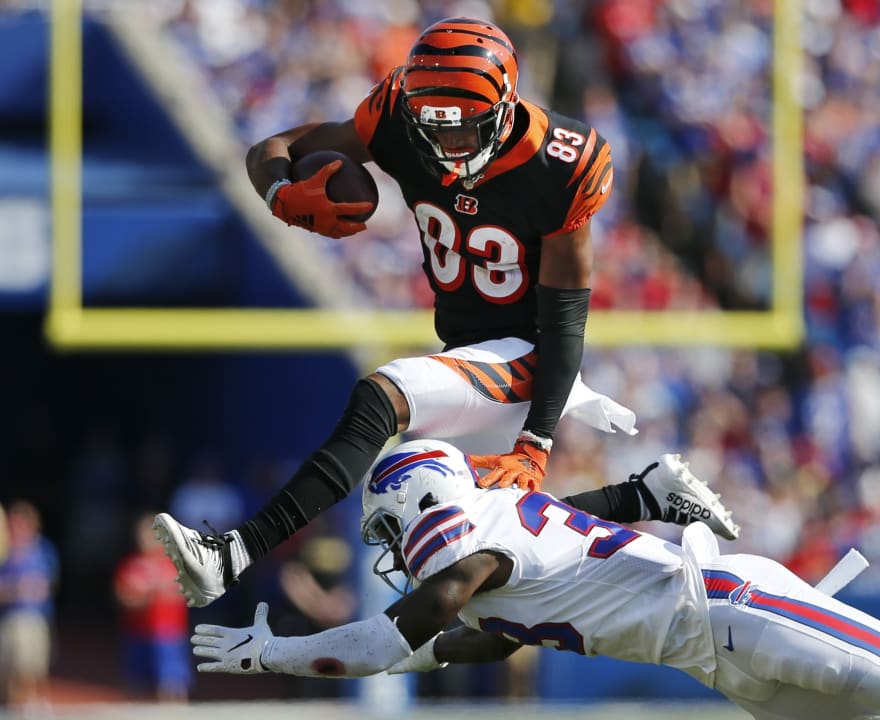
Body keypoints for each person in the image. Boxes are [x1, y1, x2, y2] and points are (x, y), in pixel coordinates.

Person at [153, 16, 738, 608]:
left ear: (506, 108)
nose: (449, 142)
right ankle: (641, 498)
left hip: (530, 353)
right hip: (464, 350)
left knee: (382, 397)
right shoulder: (399, 119)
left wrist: (536, 440)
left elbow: (565, 318)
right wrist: (279, 189)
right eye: (436, 125)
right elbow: (274, 148)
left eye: (466, 126)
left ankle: (232, 553)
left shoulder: (561, 163)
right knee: (465, 553)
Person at [191, 440, 880, 720]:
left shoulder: (475, 550)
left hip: (731, 608)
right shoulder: (488, 570)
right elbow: (452, 638)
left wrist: (277, 651)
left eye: (386, 526)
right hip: (712, 660)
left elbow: (404, 632)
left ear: (416, 503)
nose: (387, 550)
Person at [114, 513, 191, 702]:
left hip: (167, 634)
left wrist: (159, 592)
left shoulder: (174, 563)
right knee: (136, 683)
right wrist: (144, 598)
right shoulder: (131, 564)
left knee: (171, 682)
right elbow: (122, 595)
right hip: (138, 632)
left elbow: (186, 594)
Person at [0, 501, 58, 711]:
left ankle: (33, 705)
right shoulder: (4, 551)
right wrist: (16, 589)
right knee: (9, 671)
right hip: (8, 620)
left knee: (33, 668)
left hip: (35, 618)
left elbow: (47, 585)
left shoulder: (43, 549)